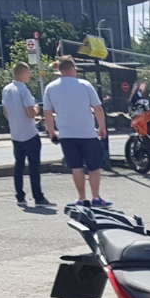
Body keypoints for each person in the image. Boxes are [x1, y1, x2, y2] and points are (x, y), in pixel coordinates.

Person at [42, 55, 110, 208]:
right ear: (72, 68)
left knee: (76, 167)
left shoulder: (50, 88)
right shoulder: (85, 85)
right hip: (87, 133)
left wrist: (51, 131)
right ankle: (96, 197)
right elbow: (97, 108)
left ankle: (81, 198)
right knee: (94, 167)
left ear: (60, 70)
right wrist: (102, 127)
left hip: (66, 135)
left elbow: (47, 112)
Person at [2, 63, 49, 207]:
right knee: (34, 167)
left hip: (15, 133)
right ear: (23, 74)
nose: (29, 76)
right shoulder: (24, 91)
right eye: (28, 73)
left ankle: (20, 196)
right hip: (29, 133)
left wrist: (15, 121)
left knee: (19, 165)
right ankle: (38, 197)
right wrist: (37, 108)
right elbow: (30, 113)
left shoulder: (6, 89)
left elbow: (5, 111)